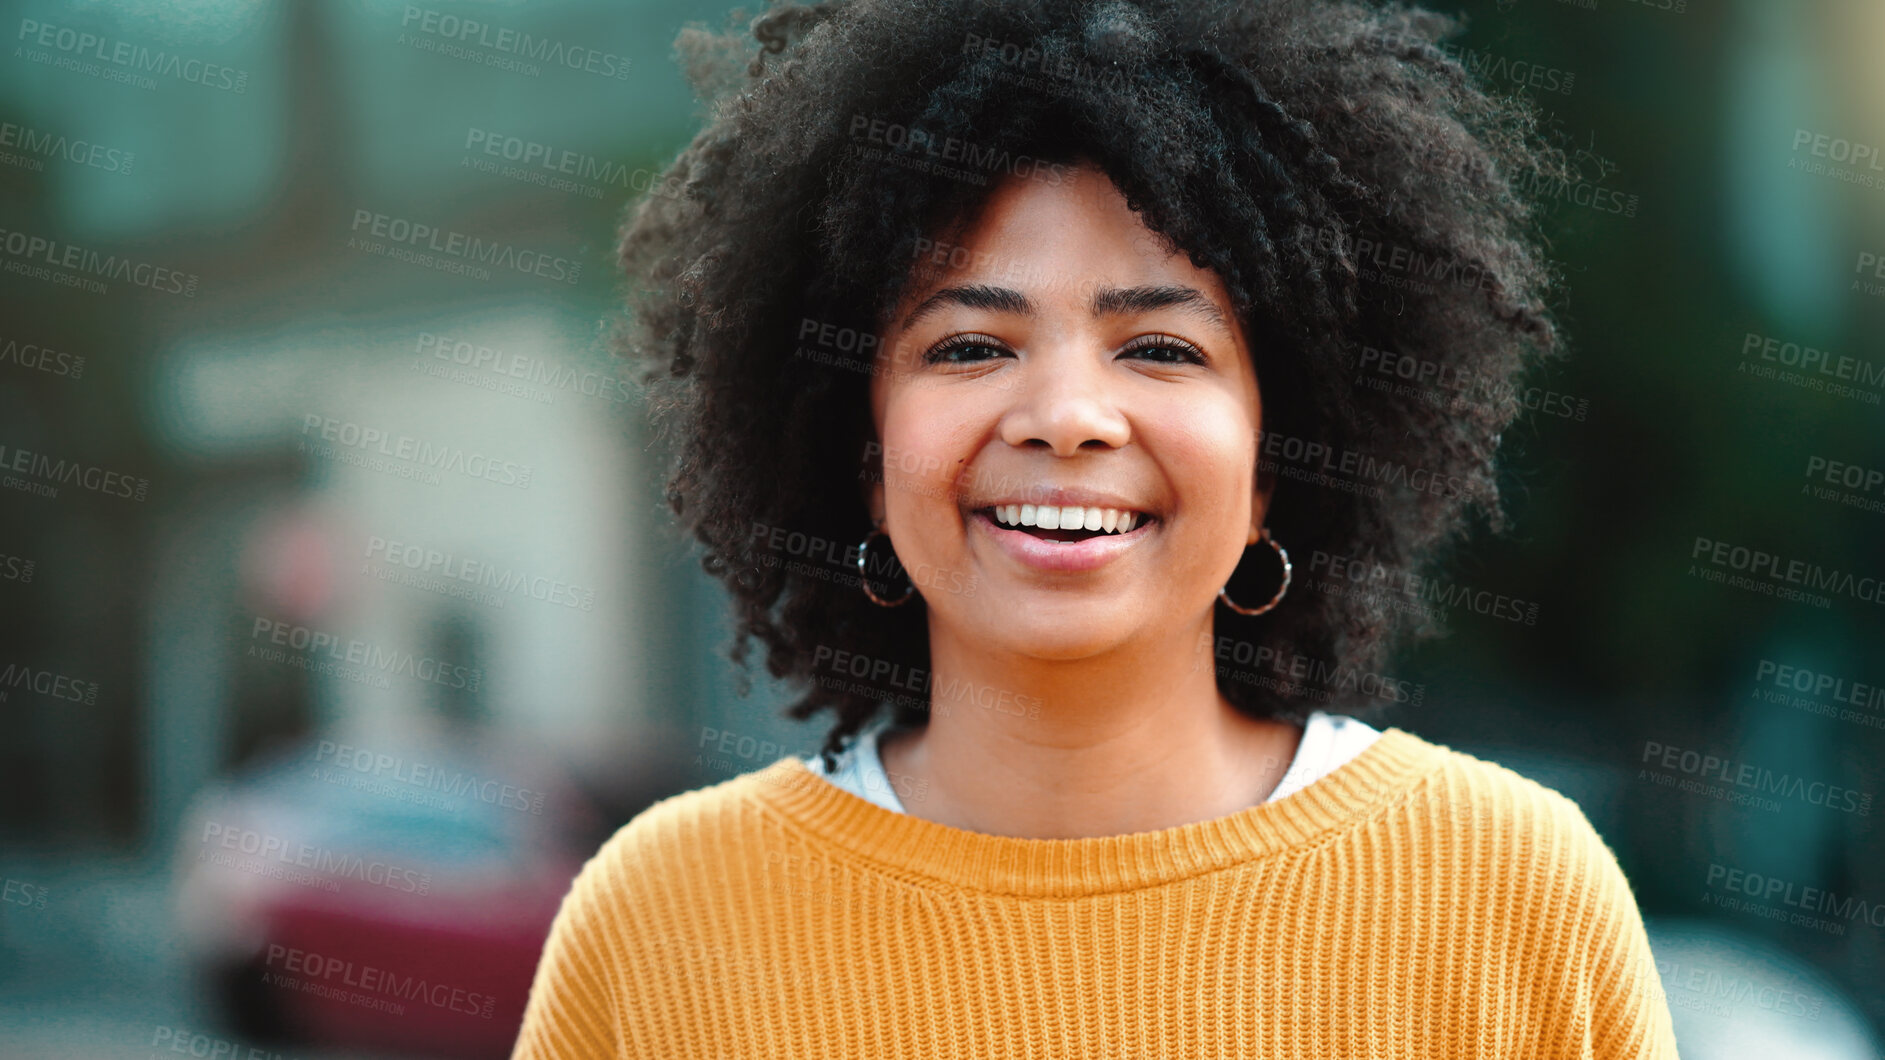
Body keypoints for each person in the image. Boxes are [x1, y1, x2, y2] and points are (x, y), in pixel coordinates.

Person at [512, 0, 1681, 1056]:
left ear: (1278, 459)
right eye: (969, 345)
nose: (1067, 417)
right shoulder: (660, 924)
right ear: (860, 458)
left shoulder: (1513, 893)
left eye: (1162, 347)